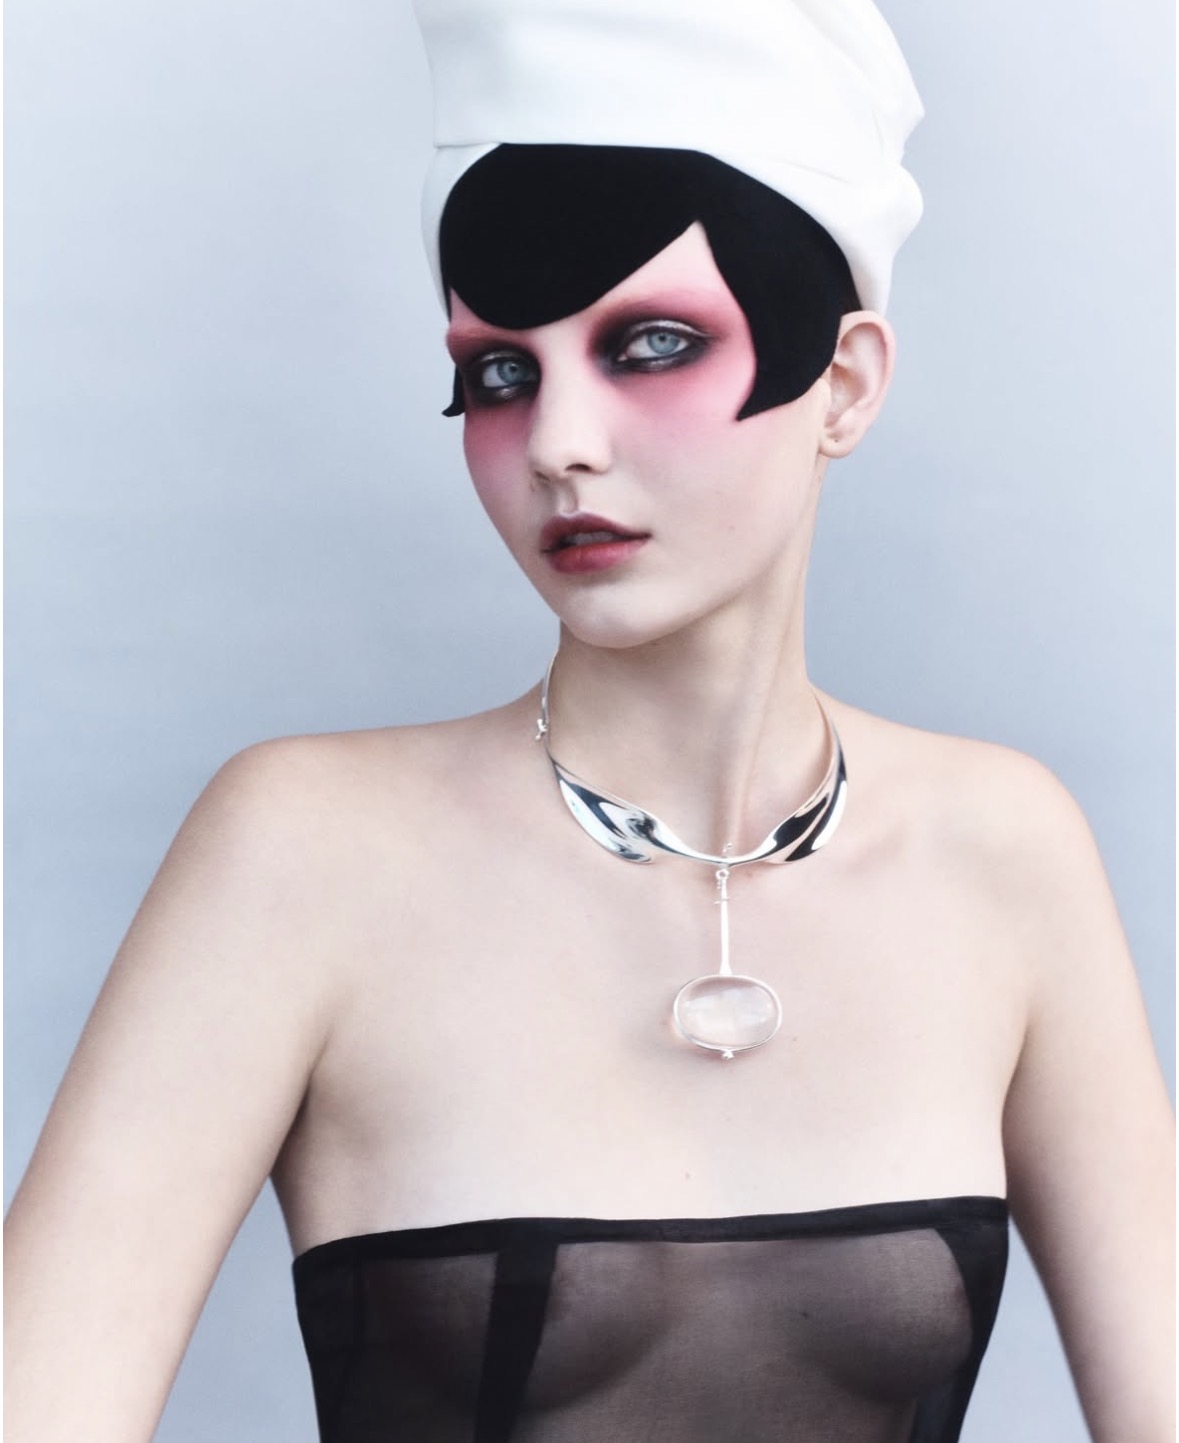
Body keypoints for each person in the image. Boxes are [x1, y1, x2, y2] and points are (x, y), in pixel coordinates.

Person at [6, 0, 1173, 1439]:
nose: (559, 443)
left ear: (845, 382)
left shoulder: (1004, 851)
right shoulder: (303, 852)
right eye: (500, 372)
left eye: (652, 343)